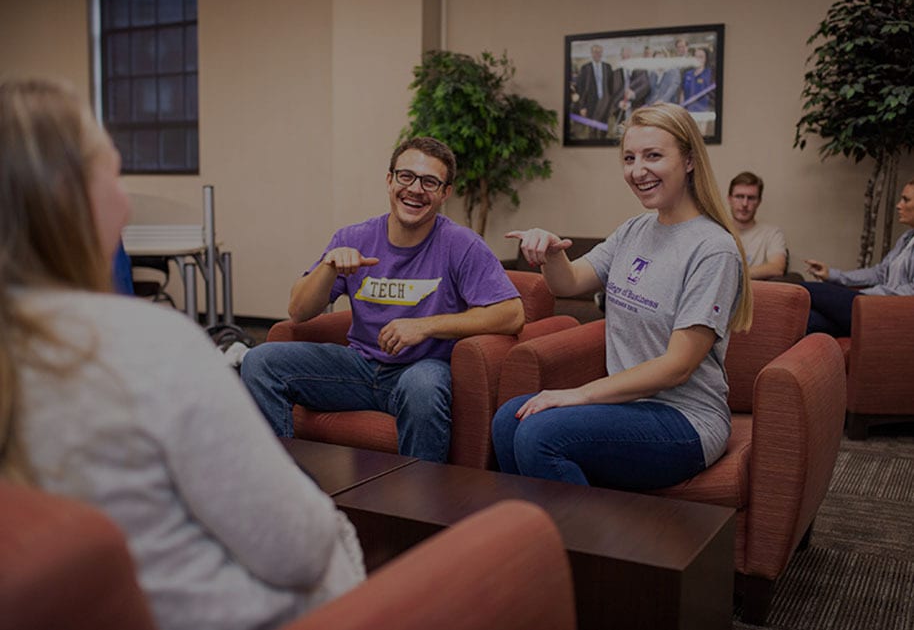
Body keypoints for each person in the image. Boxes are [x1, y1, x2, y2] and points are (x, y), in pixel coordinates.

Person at [0, 78, 365, 630]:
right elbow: (301, 549)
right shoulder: (150, 345)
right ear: (61, 196)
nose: (125, 204)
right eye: (113, 177)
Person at [494, 102, 752, 490]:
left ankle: (587, 549)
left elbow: (677, 367)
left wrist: (577, 396)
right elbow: (570, 283)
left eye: (653, 156)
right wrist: (551, 253)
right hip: (629, 407)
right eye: (629, 158)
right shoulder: (635, 229)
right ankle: (540, 540)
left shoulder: (713, 248)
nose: (637, 170)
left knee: (538, 434)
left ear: (688, 160)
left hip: (685, 420)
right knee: (507, 420)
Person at [240, 137, 525, 463]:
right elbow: (298, 311)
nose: (415, 189)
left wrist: (426, 327)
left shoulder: (461, 244)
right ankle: (280, 487)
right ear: (389, 180)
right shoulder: (354, 237)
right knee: (260, 361)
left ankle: (419, 506)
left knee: (423, 386)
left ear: (445, 193)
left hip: (422, 370)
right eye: (406, 176)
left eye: (430, 182)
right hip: (357, 368)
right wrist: (329, 268)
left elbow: (512, 313)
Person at [802, 178, 914, 337]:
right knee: (809, 321)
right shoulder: (907, 238)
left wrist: (868, 296)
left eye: (906, 200)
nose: (898, 205)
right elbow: (879, 273)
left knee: (803, 289)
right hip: (873, 305)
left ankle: (761, 293)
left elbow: (910, 291)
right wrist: (833, 275)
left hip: (887, 313)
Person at [727, 171, 787, 279]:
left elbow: (777, 268)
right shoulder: (717, 231)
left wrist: (734, 275)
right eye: (739, 196)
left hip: (758, 293)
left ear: (759, 201)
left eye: (751, 198)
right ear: (729, 199)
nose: (745, 204)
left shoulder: (772, 233)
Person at [574, 43, 615, 136]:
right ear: (591, 53)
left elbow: (612, 87)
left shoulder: (607, 67)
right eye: (595, 52)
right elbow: (580, 88)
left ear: (602, 53)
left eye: (600, 52)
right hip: (590, 103)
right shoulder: (585, 68)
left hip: (605, 101)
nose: (598, 54)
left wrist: (612, 104)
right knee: (592, 130)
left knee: (604, 128)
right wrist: (582, 107)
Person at [681, 46, 714, 112]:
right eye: (696, 57)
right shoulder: (687, 74)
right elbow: (682, 92)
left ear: (706, 59)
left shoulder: (709, 74)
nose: (698, 59)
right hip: (687, 110)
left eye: (701, 57)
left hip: (703, 111)